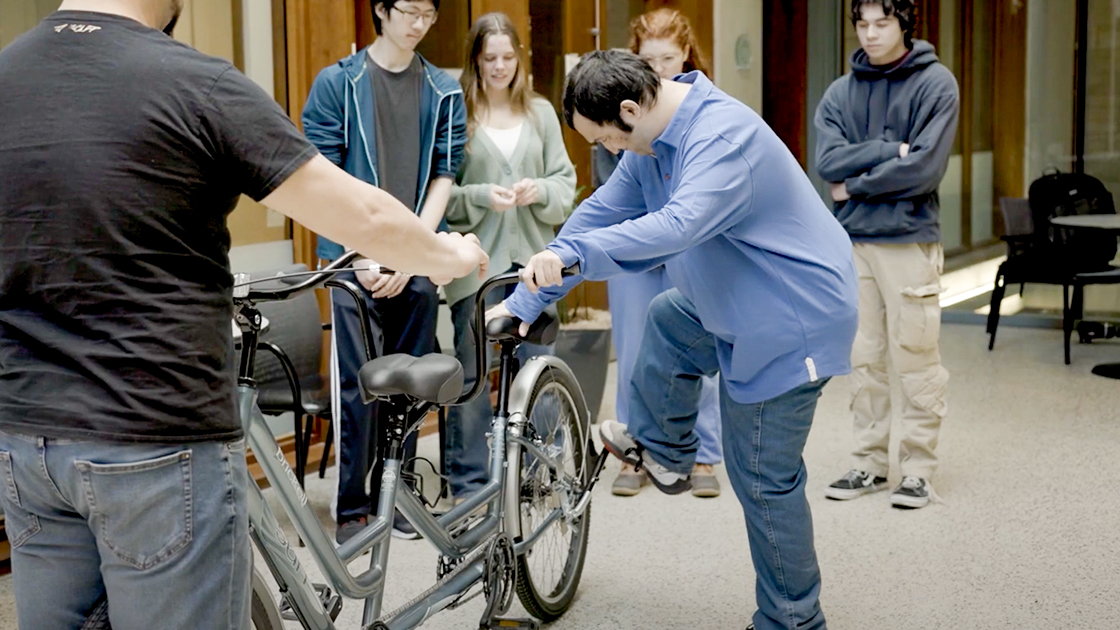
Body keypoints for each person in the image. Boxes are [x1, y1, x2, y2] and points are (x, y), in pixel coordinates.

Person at [0, 0, 488, 628]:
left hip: (25, 442)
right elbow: (362, 215)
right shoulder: (196, 82)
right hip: (156, 436)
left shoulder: (8, 73)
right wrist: (447, 256)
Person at [487, 50, 859, 630]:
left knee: (763, 477)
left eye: (606, 139)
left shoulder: (721, 138)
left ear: (630, 110)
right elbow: (600, 213)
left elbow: (676, 227)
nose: (611, 152)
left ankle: (794, 620)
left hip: (792, 318)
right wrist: (524, 300)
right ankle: (665, 452)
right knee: (669, 317)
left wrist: (577, 257)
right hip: (732, 299)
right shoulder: (651, 141)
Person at [301, 0, 467, 543]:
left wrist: (411, 253)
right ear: (381, 10)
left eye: (428, 14)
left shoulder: (444, 90)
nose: (418, 23)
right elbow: (322, 178)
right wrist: (366, 254)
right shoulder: (337, 84)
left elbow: (444, 175)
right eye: (409, 10)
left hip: (414, 260)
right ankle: (352, 506)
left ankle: (397, 498)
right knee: (357, 387)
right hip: (351, 260)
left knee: (411, 385)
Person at [815, 0, 958, 510]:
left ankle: (918, 471)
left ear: (904, 24)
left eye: (883, 23)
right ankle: (869, 463)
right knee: (864, 357)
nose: (871, 34)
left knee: (916, 357)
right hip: (853, 242)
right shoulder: (840, 92)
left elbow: (925, 169)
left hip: (909, 239)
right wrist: (890, 150)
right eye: (863, 24)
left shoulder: (936, 84)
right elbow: (826, 161)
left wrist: (855, 184)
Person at [442, 13, 576, 503]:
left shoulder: (540, 113)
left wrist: (538, 190)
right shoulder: (458, 112)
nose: (499, 67)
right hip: (476, 270)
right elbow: (442, 196)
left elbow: (565, 188)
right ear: (475, 60)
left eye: (507, 57)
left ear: (519, 58)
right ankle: (469, 484)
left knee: (538, 369)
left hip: (534, 270)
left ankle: (542, 475)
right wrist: (482, 196)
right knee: (473, 376)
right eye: (489, 58)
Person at [599, 7, 725, 499]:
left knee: (696, 346)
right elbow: (610, 188)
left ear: (686, 54)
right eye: (648, 60)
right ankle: (635, 450)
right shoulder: (614, 104)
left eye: (668, 59)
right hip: (632, 246)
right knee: (634, 350)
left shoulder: (705, 111)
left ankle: (704, 453)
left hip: (690, 248)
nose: (658, 70)